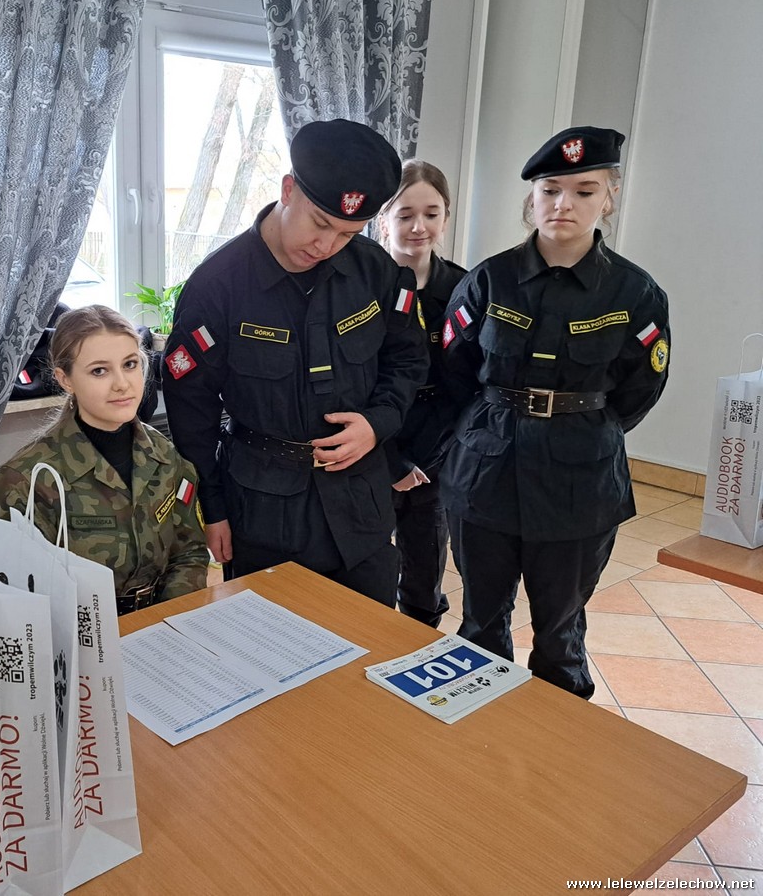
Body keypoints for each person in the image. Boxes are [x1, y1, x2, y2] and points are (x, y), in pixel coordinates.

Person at [439, 126, 670, 698]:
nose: (564, 204)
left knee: (560, 635)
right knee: (480, 627)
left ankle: (556, 742)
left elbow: (640, 388)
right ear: (532, 197)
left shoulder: (635, 293)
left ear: (610, 197)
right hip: (486, 474)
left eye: (584, 191)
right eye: (550, 190)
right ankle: (475, 733)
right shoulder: (489, 280)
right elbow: (453, 371)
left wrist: (577, 424)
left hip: (579, 484)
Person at [162, 119, 428, 605]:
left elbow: (407, 359)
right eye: (320, 223)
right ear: (288, 190)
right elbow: (191, 410)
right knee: (269, 646)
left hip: (360, 508)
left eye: (347, 233)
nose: (326, 246)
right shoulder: (217, 287)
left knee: (368, 642)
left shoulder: (374, 271)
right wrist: (213, 508)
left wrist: (377, 423)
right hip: (264, 512)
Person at [0, 305, 208, 614]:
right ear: (65, 379)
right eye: (99, 371)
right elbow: (13, 603)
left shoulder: (164, 454)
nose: (122, 383)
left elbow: (190, 553)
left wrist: (165, 619)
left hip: (161, 624)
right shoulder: (25, 481)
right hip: (78, 635)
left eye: (130, 364)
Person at [376, 160, 467, 628]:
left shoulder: (465, 287)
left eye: (431, 214)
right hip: (373, 446)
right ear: (383, 220)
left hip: (437, 449)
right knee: (369, 571)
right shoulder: (361, 286)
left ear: (446, 217)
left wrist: (433, 456)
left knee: (426, 570)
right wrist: (390, 460)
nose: (419, 227)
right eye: (405, 214)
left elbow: (469, 381)